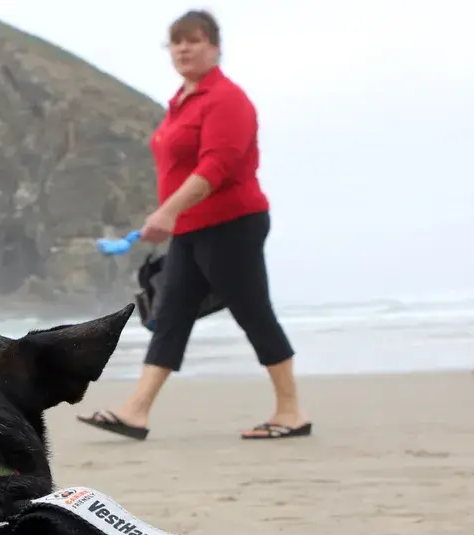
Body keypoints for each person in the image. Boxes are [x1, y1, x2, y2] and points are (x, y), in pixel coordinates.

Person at [76, 9, 309, 441]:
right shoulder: (180, 102)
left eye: (194, 40)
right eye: (176, 41)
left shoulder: (227, 99)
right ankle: (136, 411)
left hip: (232, 223)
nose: (183, 48)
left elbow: (218, 165)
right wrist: (170, 214)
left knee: (253, 312)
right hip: (189, 228)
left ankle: (291, 411)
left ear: (216, 47)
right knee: (170, 316)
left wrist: (166, 212)